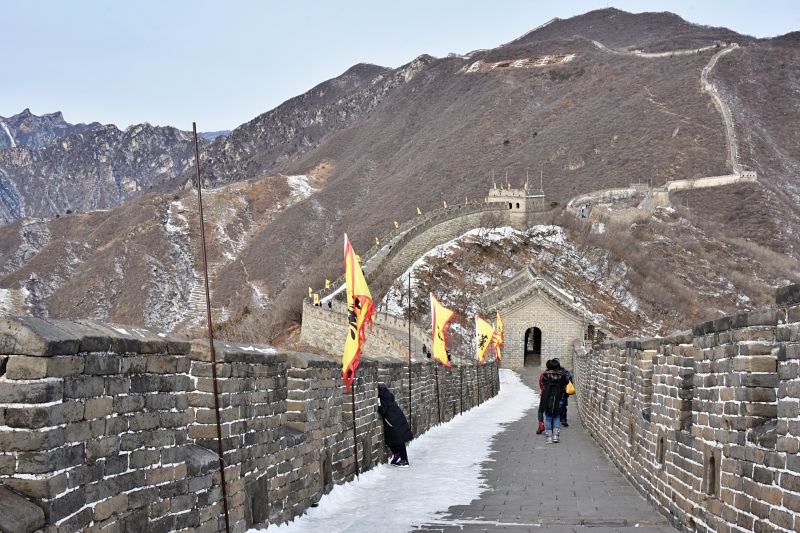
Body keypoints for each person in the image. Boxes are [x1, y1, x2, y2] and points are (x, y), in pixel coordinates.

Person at [377, 383, 414, 467]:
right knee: (390, 439)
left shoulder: (382, 398)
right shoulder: (386, 394)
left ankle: (404, 460)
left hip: (394, 421)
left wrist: (378, 402)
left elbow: (382, 410)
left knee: (399, 440)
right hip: (396, 419)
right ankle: (397, 454)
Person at [538, 359, 569, 443]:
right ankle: (556, 436)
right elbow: (566, 383)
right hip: (559, 399)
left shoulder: (545, 375)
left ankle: (549, 437)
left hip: (547, 399)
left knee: (548, 417)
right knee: (556, 417)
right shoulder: (563, 376)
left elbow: (542, 384)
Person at [553, 358, 573, 427]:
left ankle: (561, 419)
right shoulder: (564, 371)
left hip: (561, 393)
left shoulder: (562, 371)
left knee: (560, 405)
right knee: (562, 405)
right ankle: (563, 419)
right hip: (562, 394)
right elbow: (570, 378)